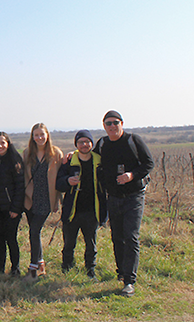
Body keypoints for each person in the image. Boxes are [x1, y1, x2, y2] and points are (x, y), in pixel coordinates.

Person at [96, 110, 154, 297]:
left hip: (134, 195)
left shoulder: (133, 140)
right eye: (108, 123)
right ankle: (121, 272)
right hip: (113, 197)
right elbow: (91, 158)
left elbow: (148, 163)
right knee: (117, 237)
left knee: (131, 237)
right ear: (104, 126)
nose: (112, 126)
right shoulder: (103, 144)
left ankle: (130, 281)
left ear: (122, 123)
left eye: (115, 122)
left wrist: (132, 175)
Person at [56, 130, 107, 280]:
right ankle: (67, 268)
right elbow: (58, 184)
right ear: (76, 145)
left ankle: (90, 270)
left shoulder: (99, 161)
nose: (84, 145)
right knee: (69, 243)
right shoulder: (70, 162)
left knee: (91, 244)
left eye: (87, 141)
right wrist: (67, 181)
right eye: (80, 142)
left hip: (92, 210)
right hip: (72, 210)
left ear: (92, 143)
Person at [23, 123, 63, 281]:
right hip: (30, 198)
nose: (39, 138)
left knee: (34, 231)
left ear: (47, 136)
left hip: (46, 199)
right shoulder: (27, 154)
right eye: (36, 135)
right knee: (34, 232)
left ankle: (33, 269)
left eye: (42, 134)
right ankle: (40, 265)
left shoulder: (56, 154)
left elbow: (63, 174)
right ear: (32, 137)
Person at [0, 132, 25, 277]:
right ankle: (0, 268)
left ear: (8, 144)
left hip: (11, 209)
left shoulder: (14, 160)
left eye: (2, 143)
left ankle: (15, 268)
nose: (0, 146)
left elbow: (20, 187)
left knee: (11, 238)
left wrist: (16, 208)